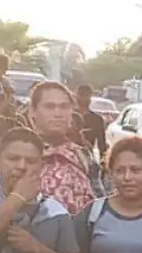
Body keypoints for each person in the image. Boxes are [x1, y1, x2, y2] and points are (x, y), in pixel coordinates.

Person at [26, 81, 96, 216]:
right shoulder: (18, 153)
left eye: (64, 107)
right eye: (49, 107)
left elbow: (98, 199)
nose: (58, 114)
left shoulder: (82, 155)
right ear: (33, 111)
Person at [72, 83, 109, 159]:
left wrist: (104, 165)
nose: (85, 99)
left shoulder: (97, 120)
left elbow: (102, 145)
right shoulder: (69, 117)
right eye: (82, 95)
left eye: (87, 96)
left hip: (87, 158)